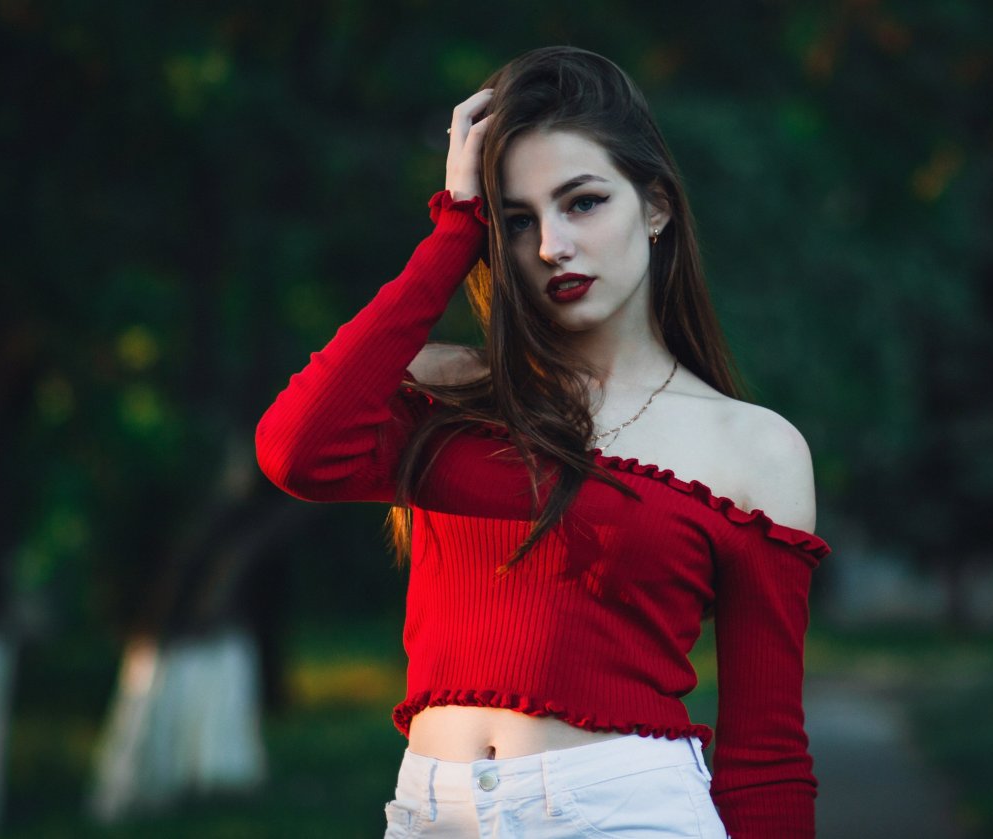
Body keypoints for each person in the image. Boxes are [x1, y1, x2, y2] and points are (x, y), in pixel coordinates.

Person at [256, 46, 830, 839]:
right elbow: (296, 451)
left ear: (656, 206)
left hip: (624, 813)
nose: (552, 245)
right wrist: (454, 228)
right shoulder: (447, 395)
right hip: (432, 816)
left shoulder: (755, 447)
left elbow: (765, 753)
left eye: (583, 203)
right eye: (517, 221)